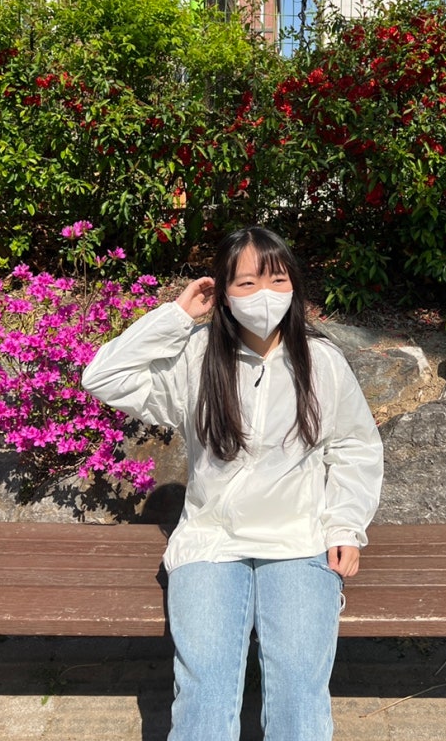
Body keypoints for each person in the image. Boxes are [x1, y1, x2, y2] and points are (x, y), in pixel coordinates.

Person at [81, 226, 383, 741]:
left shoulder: (322, 362)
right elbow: (102, 377)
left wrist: (345, 527)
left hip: (299, 540)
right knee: (205, 690)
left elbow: (355, 448)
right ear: (222, 292)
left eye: (277, 280)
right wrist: (176, 317)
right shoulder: (196, 358)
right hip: (212, 541)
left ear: (294, 286)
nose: (264, 295)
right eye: (246, 283)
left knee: (299, 692)